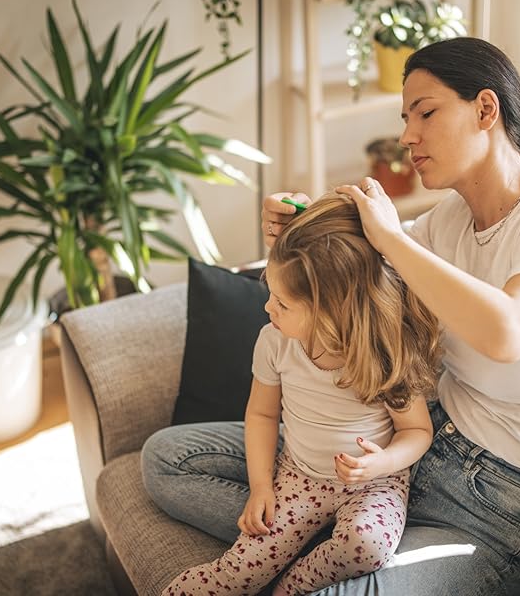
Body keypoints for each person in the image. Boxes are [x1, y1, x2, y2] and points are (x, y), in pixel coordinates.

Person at [143, 37, 520, 595]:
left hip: (491, 504)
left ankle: (315, 538)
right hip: (395, 454)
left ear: (485, 110)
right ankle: (303, 526)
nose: (407, 135)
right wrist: (296, 230)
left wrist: (392, 238)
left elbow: (508, 331)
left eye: (426, 112)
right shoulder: (451, 220)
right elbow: (349, 274)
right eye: (405, 117)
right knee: (167, 459)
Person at [162, 195, 442, 596]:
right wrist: (261, 486)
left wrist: (384, 463)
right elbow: (260, 415)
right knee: (236, 573)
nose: (267, 307)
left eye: (282, 303)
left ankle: (293, 585)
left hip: (374, 484)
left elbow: (417, 430)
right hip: (299, 476)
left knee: (368, 544)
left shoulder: (383, 349)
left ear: (332, 311)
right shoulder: (275, 342)